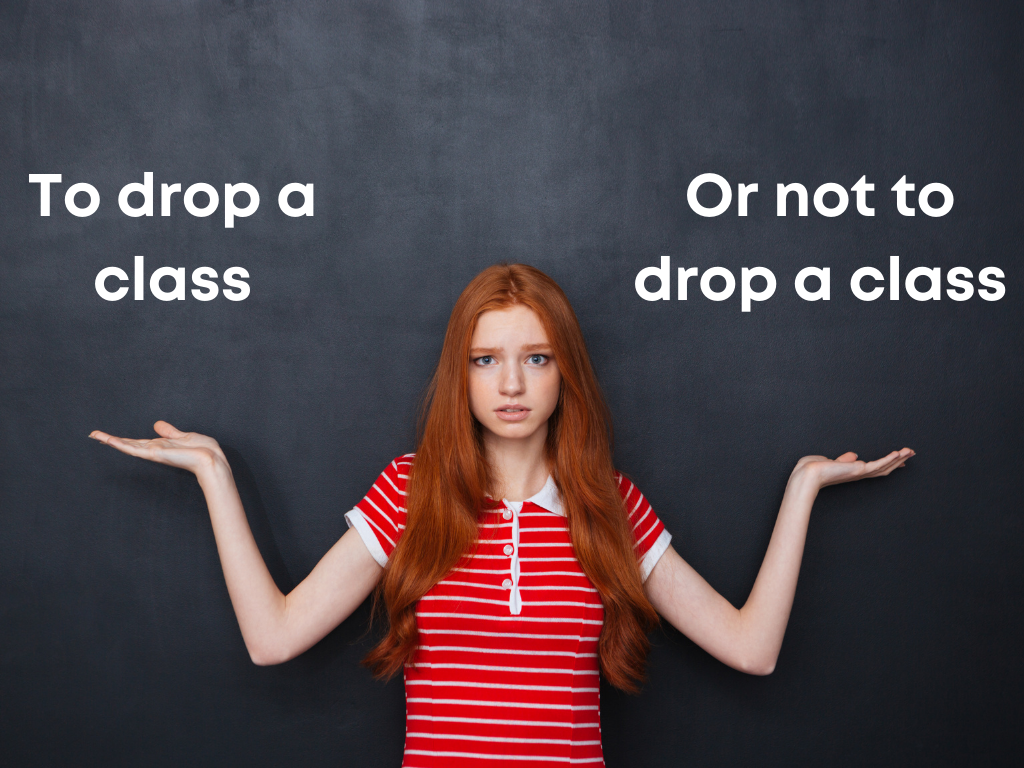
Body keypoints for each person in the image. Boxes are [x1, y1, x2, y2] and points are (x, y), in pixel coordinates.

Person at [90, 264, 913, 767]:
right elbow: (273, 640)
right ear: (464, 374)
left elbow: (751, 649)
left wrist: (802, 489)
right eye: (487, 360)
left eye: (535, 359)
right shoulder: (410, 494)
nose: (511, 384)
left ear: (565, 375)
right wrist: (215, 476)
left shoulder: (609, 508)